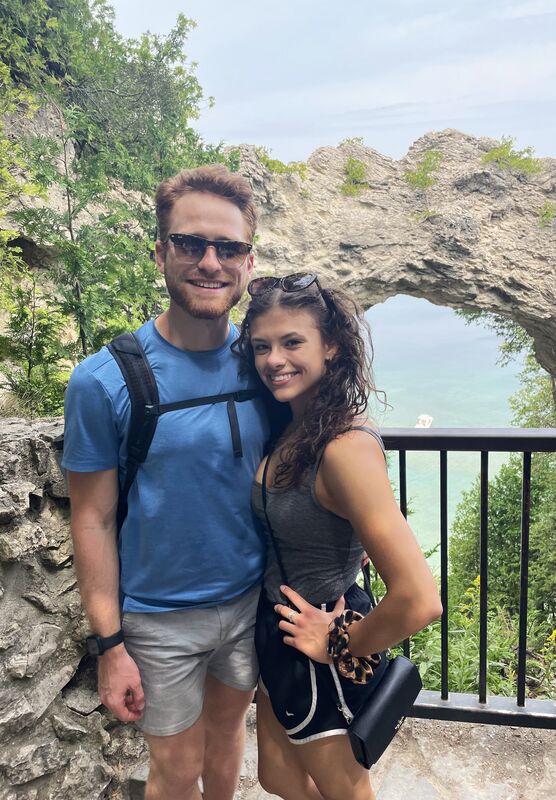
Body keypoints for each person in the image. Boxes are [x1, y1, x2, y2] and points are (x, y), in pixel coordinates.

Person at [62, 165, 269, 800]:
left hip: (249, 603)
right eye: (190, 244)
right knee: (177, 771)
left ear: (247, 261)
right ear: (160, 253)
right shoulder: (104, 381)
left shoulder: (267, 363)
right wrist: (110, 645)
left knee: (230, 735)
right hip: (158, 619)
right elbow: (92, 518)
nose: (210, 262)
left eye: (228, 248)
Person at [233, 273, 443, 800]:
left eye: (292, 342)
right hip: (283, 631)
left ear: (330, 346)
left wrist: (339, 643)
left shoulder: (343, 447)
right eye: (262, 347)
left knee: (347, 792)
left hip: (315, 646)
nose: (273, 360)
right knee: (277, 777)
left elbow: (420, 600)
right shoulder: (296, 424)